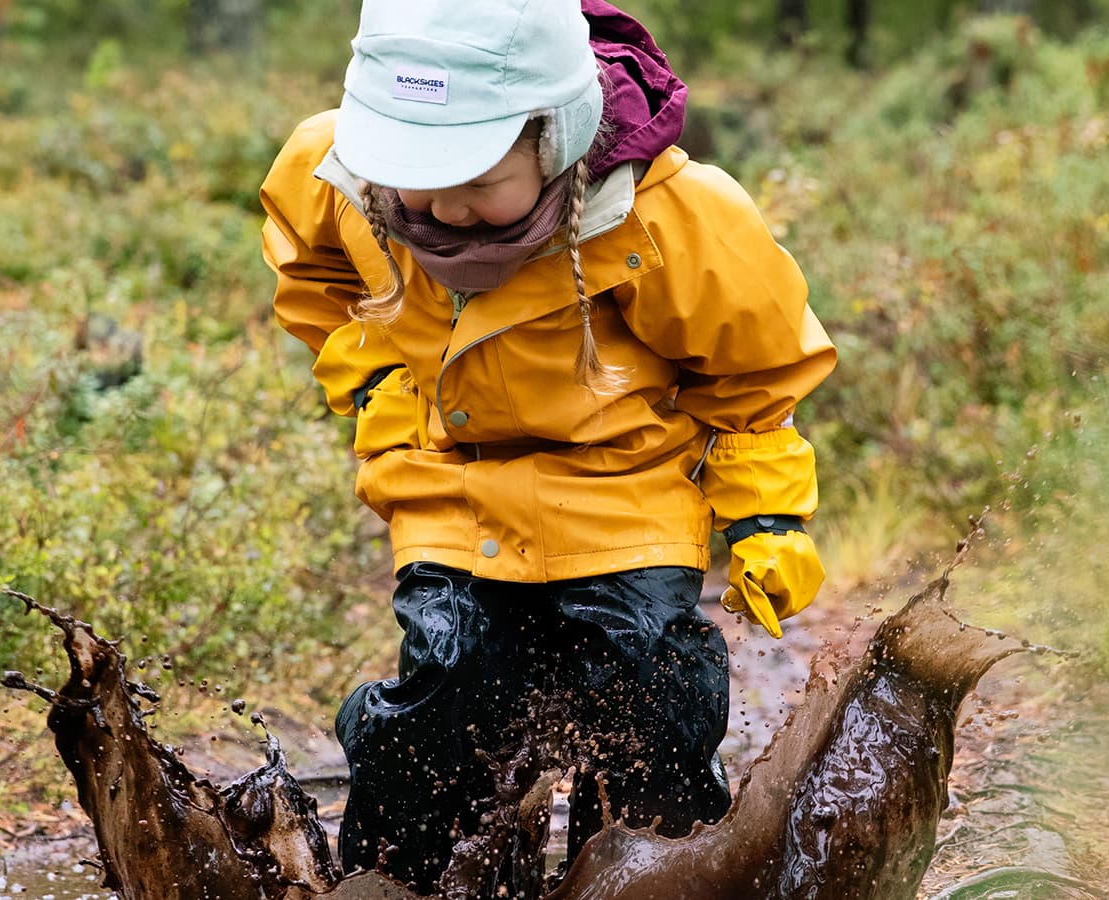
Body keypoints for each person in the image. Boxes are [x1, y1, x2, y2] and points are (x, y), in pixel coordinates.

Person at [259, 0, 837, 891]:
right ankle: (399, 882)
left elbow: (756, 378)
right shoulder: (338, 174)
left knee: (655, 705)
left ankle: (653, 875)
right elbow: (313, 272)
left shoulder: (667, 217)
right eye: (422, 178)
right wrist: (373, 379)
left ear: (555, 133)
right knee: (441, 706)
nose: (446, 207)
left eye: (479, 179)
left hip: (625, 490)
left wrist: (765, 518)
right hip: (452, 488)